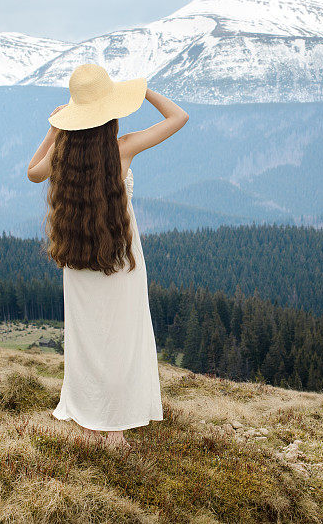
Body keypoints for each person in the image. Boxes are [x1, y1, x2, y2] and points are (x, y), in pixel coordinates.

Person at [26, 63, 189, 451]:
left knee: (87, 341)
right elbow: (178, 117)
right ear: (110, 110)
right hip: (119, 257)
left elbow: (33, 172)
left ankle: (90, 421)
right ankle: (114, 425)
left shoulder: (63, 155)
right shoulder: (123, 148)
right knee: (120, 339)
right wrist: (141, 89)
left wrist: (54, 127)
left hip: (77, 258)